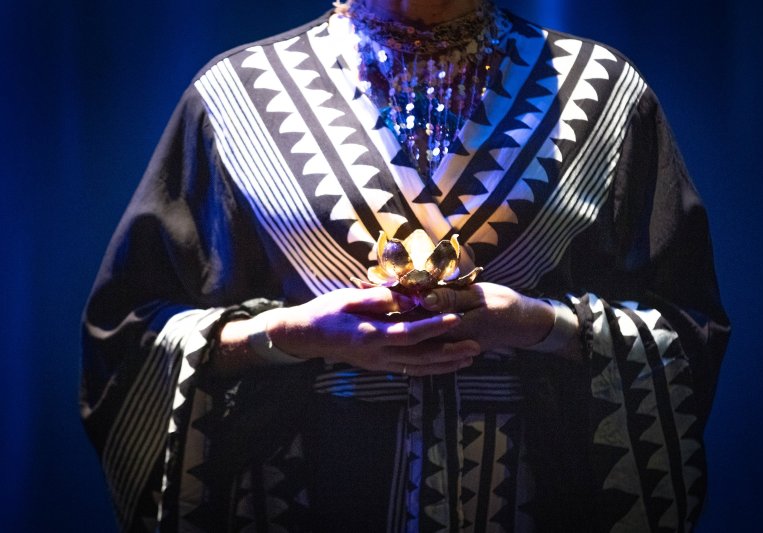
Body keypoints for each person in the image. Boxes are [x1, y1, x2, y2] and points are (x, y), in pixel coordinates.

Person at [80, 0, 730, 531]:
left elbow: (687, 329)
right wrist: (286, 337)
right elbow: (127, 339)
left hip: (532, 494)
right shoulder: (237, 96)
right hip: (303, 494)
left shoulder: (605, 95)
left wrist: (542, 325)